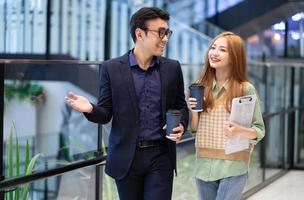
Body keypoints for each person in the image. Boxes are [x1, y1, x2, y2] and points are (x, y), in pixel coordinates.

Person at [65, 7, 188, 200]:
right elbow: (105, 113)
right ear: (140, 33)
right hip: (126, 159)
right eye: (161, 33)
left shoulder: (172, 68)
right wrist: (90, 109)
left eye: (167, 33)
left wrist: (182, 125)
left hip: (161, 156)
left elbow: (180, 106)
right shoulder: (111, 68)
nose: (165, 38)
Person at [187, 32, 265, 200]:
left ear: (235, 57)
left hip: (234, 166)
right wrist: (194, 111)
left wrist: (239, 130)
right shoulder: (200, 87)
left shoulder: (245, 89)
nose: (214, 53)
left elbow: (259, 130)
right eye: (213, 48)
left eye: (222, 50)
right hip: (203, 165)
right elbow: (194, 129)